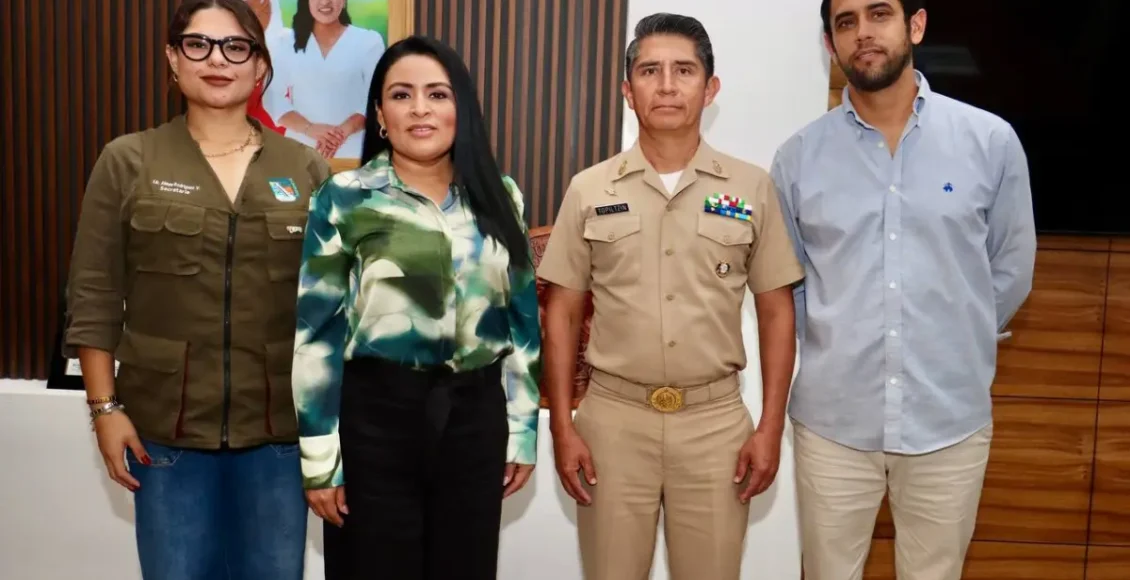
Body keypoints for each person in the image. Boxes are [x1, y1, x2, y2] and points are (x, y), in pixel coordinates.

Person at [61, 0, 331, 578]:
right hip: (164, 434)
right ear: (172, 58)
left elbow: (331, 310)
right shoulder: (128, 160)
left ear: (260, 66)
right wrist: (104, 409)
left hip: (278, 435)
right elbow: (94, 295)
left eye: (236, 47)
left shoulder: (306, 169)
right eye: (198, 44)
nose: (217, 60)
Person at [770, 1, 1037, 579]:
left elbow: (1012, 268)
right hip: (833, 427)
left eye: (879, 14)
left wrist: (956, 333)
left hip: (949, 422)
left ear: (915, 25)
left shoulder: (990, 141)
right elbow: (790, 287)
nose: (863, 33)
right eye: (846, 22)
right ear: (830, 44)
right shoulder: (797, 159)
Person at [538, 13, 804, 580]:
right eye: (649, 71)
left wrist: (770, 427)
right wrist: (563, 426)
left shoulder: (750, 187)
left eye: (684, 71)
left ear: (710, 88)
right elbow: (561, 314)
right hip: (612, 424)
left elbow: (777, 313)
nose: (666, 85)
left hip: (715, 427)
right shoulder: (589, 189)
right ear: (627, 90)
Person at [290, 35, 542, 580]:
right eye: (401, 95)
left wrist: (522, 430)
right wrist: (320, 459)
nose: (420, 109)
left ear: (461, 109)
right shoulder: (344, 197)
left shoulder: (501, 196)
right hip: (374, 424)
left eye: (437, 94)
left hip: (475, 422)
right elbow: (316, 337)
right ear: (380, 115)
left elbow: (523, 322)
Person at [264, 0, 386, 159]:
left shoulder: (369, 41)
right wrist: (310, 129)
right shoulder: (285, 42)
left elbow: (377, 96)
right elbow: (272, 98)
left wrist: (342, 133)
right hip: (299, 152)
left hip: (356, 153)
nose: (325, 2)